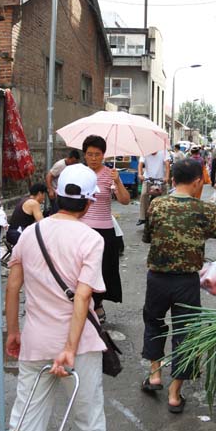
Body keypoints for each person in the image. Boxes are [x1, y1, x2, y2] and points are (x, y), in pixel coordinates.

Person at [4, 164, 115, 431]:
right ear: (89, 202)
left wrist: (13, 331)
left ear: (57, 194)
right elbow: (83, 295)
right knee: (88, 415)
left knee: (25, 419)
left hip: (35, 342)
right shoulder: (91, 239)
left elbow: (12, 285)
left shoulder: (30, 234)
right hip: (77, 348)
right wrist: (69, 346)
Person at [141, 158, 216, 412]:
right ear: (197, 182)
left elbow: (149, 237)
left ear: (173, 180)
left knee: (154, 322)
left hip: (157, 278)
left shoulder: (156, 205)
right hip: (185, 281)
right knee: (185, 332)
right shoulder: (202, 210)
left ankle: (154, 375)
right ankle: (175, 394)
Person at [80, 135, 131, 323]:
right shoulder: (78, 174)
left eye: (97, 154)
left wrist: (117, 182)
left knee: (103, 270)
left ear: (103, 155)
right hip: (82, 231)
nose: (93, 158)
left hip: (104, 231)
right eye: (89, 154)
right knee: (82, 270)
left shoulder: (110, 174)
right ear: (84, 155)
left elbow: (125, 201)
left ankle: (98, 303)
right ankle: (83, 303)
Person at [137, 149, 171, 226]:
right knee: (143, 195)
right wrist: (140, 174)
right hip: (148, 179)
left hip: (161, 179)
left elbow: (167, 164)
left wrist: (167, 177)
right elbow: (140, 163)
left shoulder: (164, 151)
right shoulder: (144, 151)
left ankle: (164, 217)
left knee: (165, 197)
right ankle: (142, 217)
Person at [5, 183, 46, 247]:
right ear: (40, 193)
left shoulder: (25, 200)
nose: (44, 198)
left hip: (12, 233)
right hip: (18, 234)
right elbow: (42, 223)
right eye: (44, 195)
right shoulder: (34, 203)